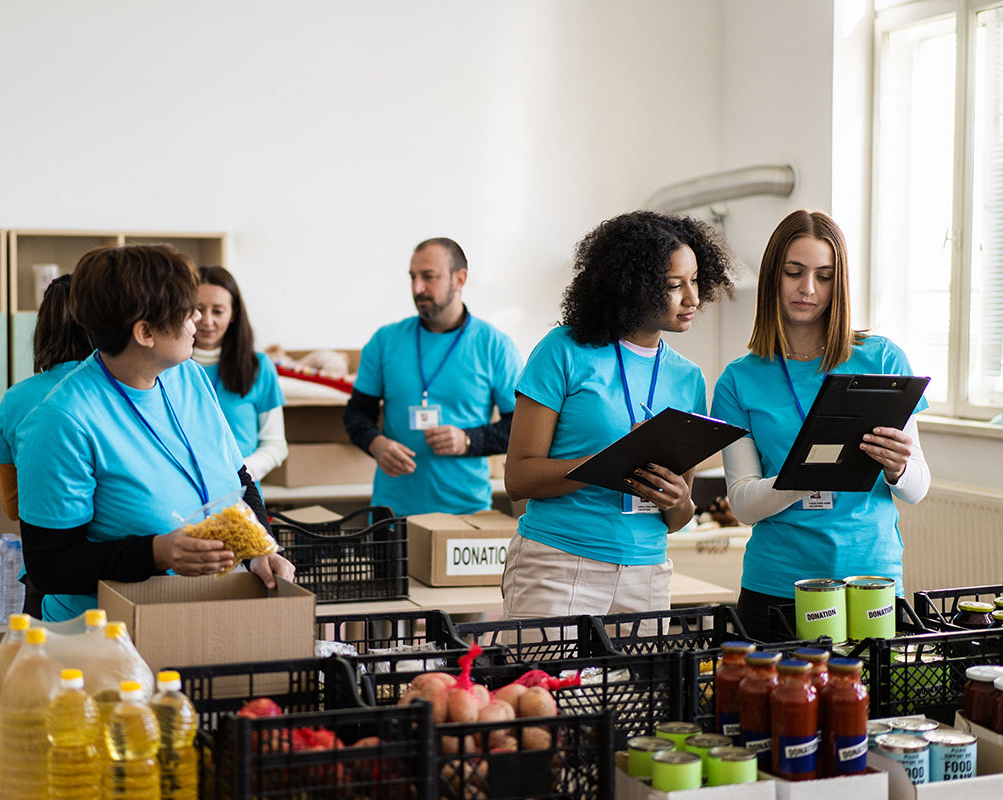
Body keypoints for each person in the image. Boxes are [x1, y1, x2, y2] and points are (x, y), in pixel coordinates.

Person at [15, 244, 294, 622]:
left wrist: (261, 546)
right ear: (145, 332)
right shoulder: (62, 420)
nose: (198, 317)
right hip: (108, 640)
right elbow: (50, 565)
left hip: (204, 618)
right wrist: (156, 553)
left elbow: (238, 476)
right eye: (186, 309)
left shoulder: (189, 376)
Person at [710, 210, 930, 642]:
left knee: (875, 709)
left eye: (824, 276)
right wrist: (804, 475)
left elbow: (918, 487)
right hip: (777, 586)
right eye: (794, 272)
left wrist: (898, 468)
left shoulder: (881, 360)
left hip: (870, 582)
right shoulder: (738, 380)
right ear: (774, 274)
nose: (808, 289)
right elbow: (743, 505)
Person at [502, 212, 735, 619]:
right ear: (633, 287)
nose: (693, 298)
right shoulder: (563, 351)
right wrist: (611, 461)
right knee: (546, 685)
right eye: (673, 285)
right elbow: (518, 479)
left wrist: (679, 500)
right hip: (558, 566)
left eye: (695, 280)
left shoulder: (688, 379)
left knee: (640, 686)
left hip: (647, 573)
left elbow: (677, 518)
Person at [343, 237, 522, 517]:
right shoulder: (385, 341)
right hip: (392, 514)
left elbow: (522, 428)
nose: (417, 288)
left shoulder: (495, 346)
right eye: (413, 277)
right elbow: (356, 415)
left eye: (428, 276)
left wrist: (468, 440)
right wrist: (375, 443)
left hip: (466, 513)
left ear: (459, 279)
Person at [0, 274, 94, 618]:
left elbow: (14, 505)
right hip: (123, 573)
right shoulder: (123, 390)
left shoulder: (18, 399)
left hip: (48, 574)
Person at [192, 266, 287, 482]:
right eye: (198, 309)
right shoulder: (168, 366)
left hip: (242, 496)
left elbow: (275, 444)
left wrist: (241, 473)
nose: (207, 320)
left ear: (233, 313)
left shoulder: (259, 366)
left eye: (217, 311)